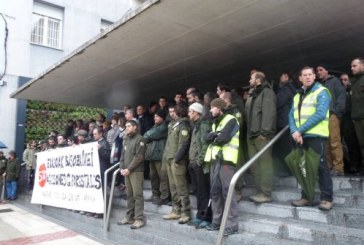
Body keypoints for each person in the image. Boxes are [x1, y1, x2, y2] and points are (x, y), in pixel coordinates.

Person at [288, 66, 333, 211]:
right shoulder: (297, 95)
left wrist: (299, 131)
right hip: (300, 137)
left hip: (315, 136)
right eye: (304, 75)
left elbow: (320, 114)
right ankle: (306, 197)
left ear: (314, 77)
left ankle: (326, 198)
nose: (307, 77)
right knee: (304, 168)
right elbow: (291, 115)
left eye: (310, 75)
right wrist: (295, 131)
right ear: (300, 78)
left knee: (320, 167)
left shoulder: (322, 92)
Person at [204, 98, 239, 236]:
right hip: (215, 161)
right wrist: (214, 135)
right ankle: (216, 222)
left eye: (212, 107)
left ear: (219, 108)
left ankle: (232, 225)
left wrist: (214, 136)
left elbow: (223, 138)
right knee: (215, 192)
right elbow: (206, 138)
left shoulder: (231, 120)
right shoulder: (214, 122)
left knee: (227, 192)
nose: (211, 110)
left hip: (226, 161)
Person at [245, 71, 276, 203]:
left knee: (265, 164)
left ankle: (266, 193)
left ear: (258, 80)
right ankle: (259, 190)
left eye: (251, 78)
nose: (249, 81)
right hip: (251, 135)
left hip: (261, 135)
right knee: (255, 165)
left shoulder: (267, 92)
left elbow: (269, 113)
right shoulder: (252, 94)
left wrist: (265, 132)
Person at [162, 104, 191, 224]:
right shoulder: (174, 124)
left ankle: (185, 212)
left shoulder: (184, 125)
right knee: (173, 188)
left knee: (181, 187)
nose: (172, 113)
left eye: (174, 112)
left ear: (178, 112)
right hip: (169, 160)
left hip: (177, 161)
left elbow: (183, 144)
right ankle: (176, 210)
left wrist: (176, 160)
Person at [316, 64, 346, 176]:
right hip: (322, 116)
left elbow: (341, 96)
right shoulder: (318, 85)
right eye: (317, 70)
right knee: (325, 142)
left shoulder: (335, 81)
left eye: (321, 70)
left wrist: (337, 113)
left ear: (326, 71)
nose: (318, 72)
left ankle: (338, 168)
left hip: (332, 115)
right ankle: (329, 166)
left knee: (335, 141)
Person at [117, 120, 146, 229]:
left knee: (137, 195)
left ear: (135, 127)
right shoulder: (126, 139)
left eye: (129, 126)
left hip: (136, 171)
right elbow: (122, 156)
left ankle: (139, 219)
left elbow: (139, 157)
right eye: (126, 126)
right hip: (127, 171)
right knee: (129, 194)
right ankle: (129, 217)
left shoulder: (140, 139)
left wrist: (129, 169)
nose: (127, 128)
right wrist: (121, 168)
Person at [187, 103, 212, 229]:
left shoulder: (203, 125)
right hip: (193, 164)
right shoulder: (196, 126)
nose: (189, 114)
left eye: (190, 111)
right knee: (198, 192)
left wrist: (199, 161)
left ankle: (206, 217)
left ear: (196, 112)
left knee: (204, 192)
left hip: (200, 165)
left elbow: (205, 145)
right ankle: (199, 216)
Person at [144, 109, 170, 205]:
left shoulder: (164, 127)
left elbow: (152, 134)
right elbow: (147, 134)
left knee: (162, 177)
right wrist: (148, 135)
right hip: (153, 156)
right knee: (153, 177)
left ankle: (164, 196)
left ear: (162, 118)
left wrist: (148, 136)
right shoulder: (155, 126)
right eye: (154, 116)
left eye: (157, 116)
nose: (154, 118)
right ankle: (155, 195)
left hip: (160, 156)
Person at [273, 71, 297, 177]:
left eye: (281, 76)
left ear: (286, 76)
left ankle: (288, 170)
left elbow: (278, 102)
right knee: (287, 147)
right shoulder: (291, 88)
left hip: (284, 123)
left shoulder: (286, 89)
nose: (280, 78)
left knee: (285, 148)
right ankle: (289, 170)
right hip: (286, 122)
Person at [91, 127, 111, 218]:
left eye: (95, 134)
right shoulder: (94, 143)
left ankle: (101, 212)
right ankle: (95, 209)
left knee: (101, 191)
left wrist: (100, 149)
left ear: (100, 134)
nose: (94, 135)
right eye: (93, 134)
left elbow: (107, 157)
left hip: (102, 170)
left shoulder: (105, 143)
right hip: (95, 170)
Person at [350, 58, 364, 173]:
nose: (352, 68)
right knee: (361, 144)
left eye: (354, 66)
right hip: (357, 118)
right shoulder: (354, 82)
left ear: (362, 66)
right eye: (352, 66)